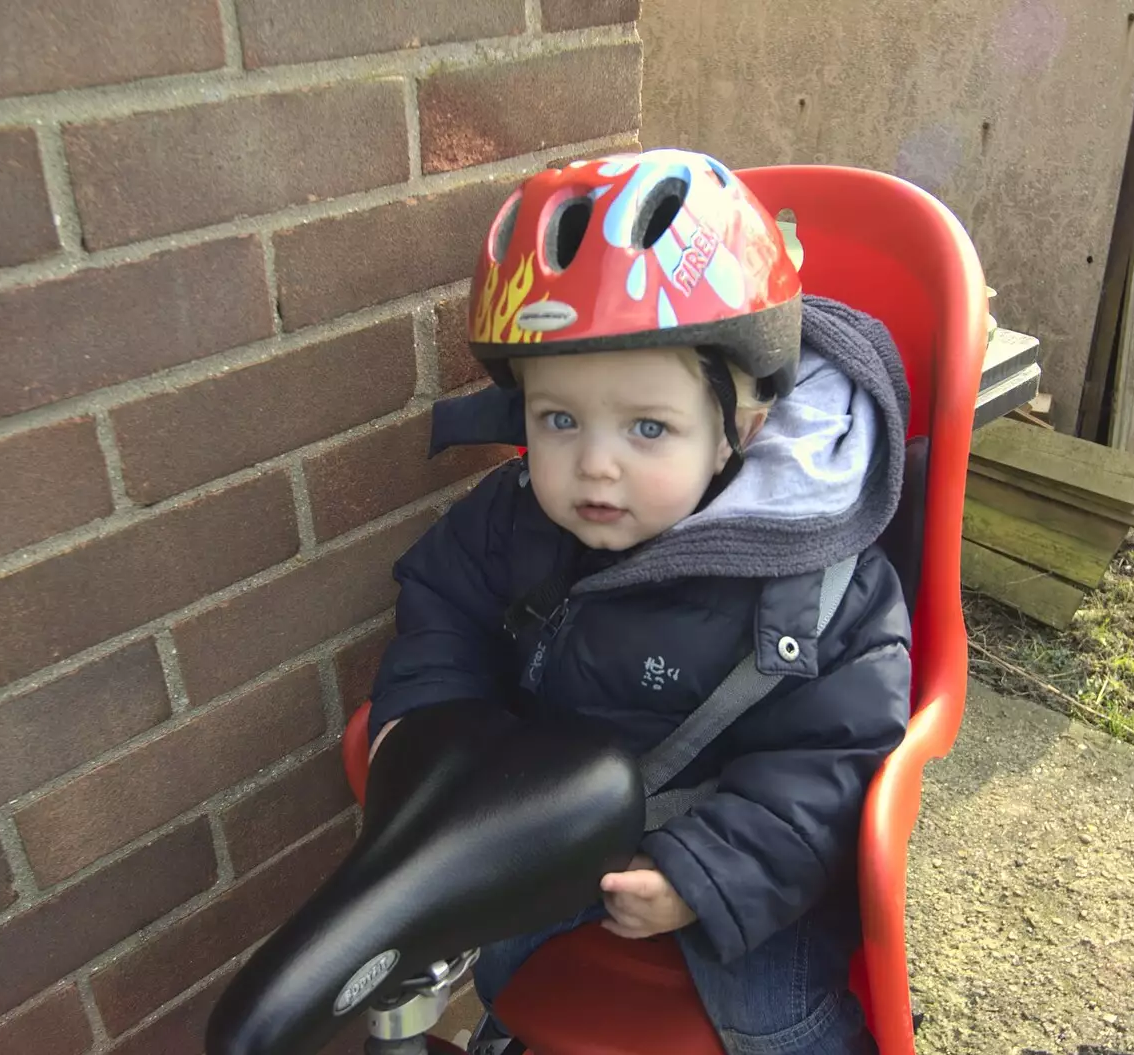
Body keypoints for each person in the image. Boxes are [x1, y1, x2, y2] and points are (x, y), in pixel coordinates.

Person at [367, 148, 913, 1055]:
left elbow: (835, 755)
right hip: (551, 831)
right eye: (559, 419)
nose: (595, 464)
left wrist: (703, 872)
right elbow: (442, 610)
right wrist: (425, 723)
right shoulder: (511, 521)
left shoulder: (814, 577)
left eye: (648, 427)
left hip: (738, 870)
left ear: (742, 426)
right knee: (497, 969)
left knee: (776, 1020)